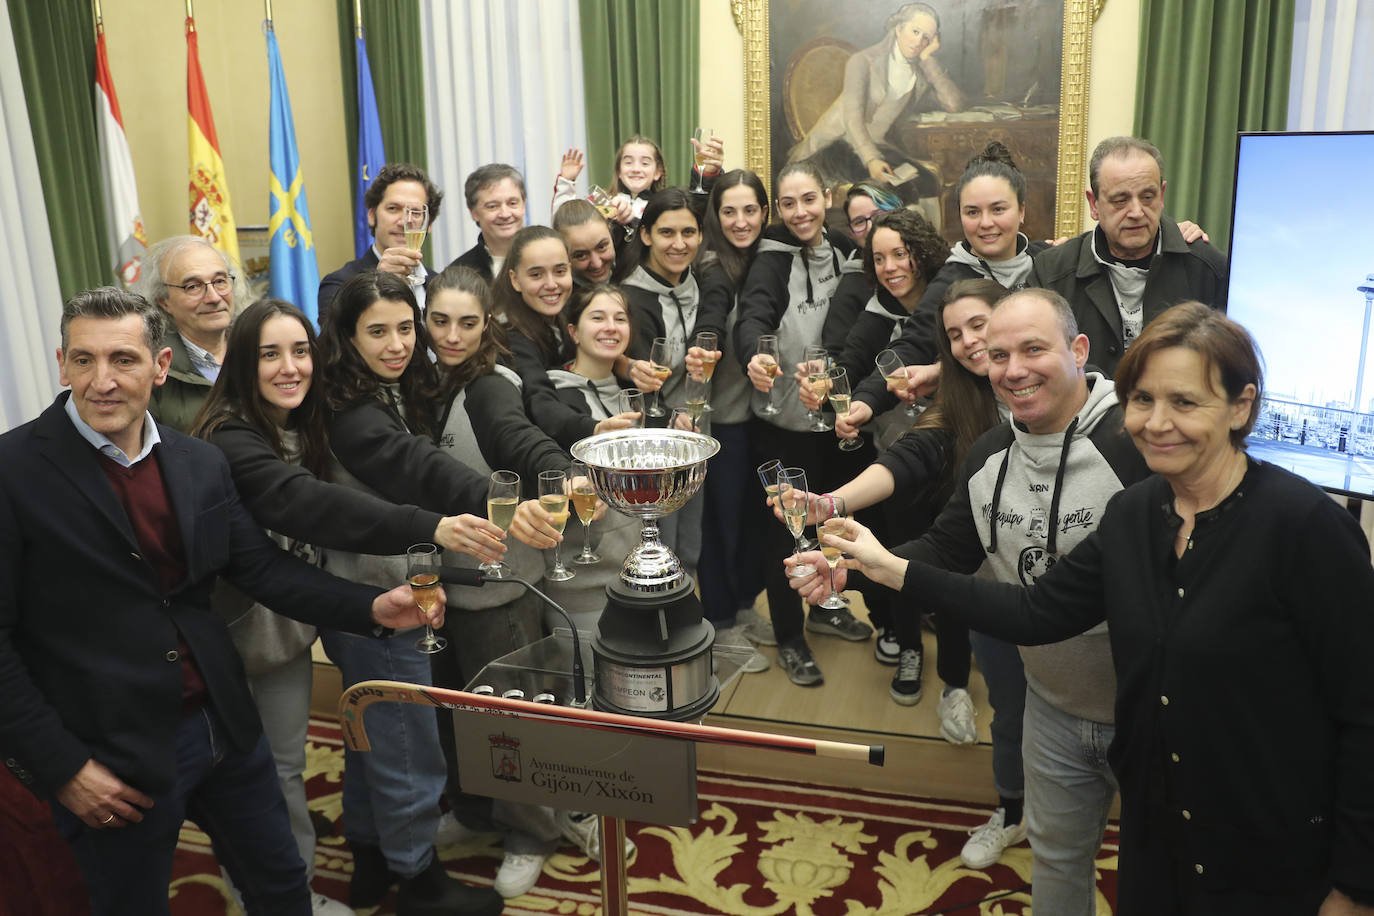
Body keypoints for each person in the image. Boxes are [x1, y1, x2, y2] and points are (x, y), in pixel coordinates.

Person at [814, 302, 1374, 916]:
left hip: (1266, 840)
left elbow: (1362, 715)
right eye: (1144, 400)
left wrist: (1353, 886)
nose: (1158, 423)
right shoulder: (1137, 513)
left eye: (1185, 402)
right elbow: (1036, 612)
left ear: (1241, 407)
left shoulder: (1307, 529)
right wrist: (878, 565)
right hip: (1150, 812)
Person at [0, 287, 487, 916]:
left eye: (123, 359)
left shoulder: (196, 461)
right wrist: (62, 767)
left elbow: (260, 568)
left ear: (162, 365)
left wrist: (368, 607)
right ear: (61, 365)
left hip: (224, 727)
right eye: (83, 360)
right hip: (108, 749)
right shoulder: (13, 472)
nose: (102, 381)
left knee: (282, 887)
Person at [791, 287, 1152, 907]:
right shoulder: (989, 453)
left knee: (1159, 873)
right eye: (998, 355)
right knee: (1057, 859)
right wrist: (850, 570)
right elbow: (947, 550)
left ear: (1079, 349)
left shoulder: (1137, 443)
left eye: (1033, 349)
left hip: (1151, 710)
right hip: (1053, 708)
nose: (1014, 370)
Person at [191, 298, 498, 916]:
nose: (290, 367)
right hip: (228, 629)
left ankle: (363, 859)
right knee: (279, 768)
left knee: (329, 744)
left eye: (299, 351)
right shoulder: (231, 434)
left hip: (291, 616)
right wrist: (434, 527)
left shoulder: (298, 417)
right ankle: (302, 894)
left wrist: (369, 604)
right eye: (270, 354)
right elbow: (305, 504)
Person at [316, 271, 505, 914]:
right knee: (406, 738)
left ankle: (370, 857)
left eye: (405, 328)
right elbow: (412, 466)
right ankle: (418, 878)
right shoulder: (348, 408)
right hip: (375, 595)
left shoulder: (381, 386)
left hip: (371, 587)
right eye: (378, 332)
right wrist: (494, 499)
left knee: (367, 726)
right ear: (346, 336)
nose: (398, 344)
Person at [733, 160, 870, 686]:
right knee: (783, 533)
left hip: (833, 422)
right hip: (780, 419)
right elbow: (755, 315)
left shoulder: (844, 249)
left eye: (808, 199)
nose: (799, 213)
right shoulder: (771, 254)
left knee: (830, 521)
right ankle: (790, 635)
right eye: (787, 203)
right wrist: (753, 355)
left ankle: (827, 608)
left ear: (827, 196)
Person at [1030, 136, 1228, 376]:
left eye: (1147, 197)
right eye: (1120, 200)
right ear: (1094, 204)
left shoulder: (1207, 268)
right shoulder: (1052, 272)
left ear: (1162, 195)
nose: (1136, 212)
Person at [621, 189, 731, 577]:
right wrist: (669, 419)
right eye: (667, 233)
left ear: (701, 236)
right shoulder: (631, 296)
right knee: (660, 541)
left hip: (696, 422)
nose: (679, 243)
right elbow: (633, 382)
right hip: (655, 437)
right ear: (646, 235)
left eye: (689, 232)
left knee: (691, 539)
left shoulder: (701, 279)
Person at [694, 169, 775, 650]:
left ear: (765, 213)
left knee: (751, 520)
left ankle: (745, 605)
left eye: (750, 210)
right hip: (721, 416)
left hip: (760, 416)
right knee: (719, 524)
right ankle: (720, 620)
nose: (741, 221)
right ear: (715, 216)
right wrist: (706, 347)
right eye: (729, 211)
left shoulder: (769, 259)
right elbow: (712, 314)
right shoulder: (712, 266)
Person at [786, 2, 964, 190]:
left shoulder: (918, 74)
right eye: (915, 31)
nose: (920, 42)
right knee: (901, 189)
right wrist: (871, 160)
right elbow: (852, 118)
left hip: (876, 147)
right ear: (899, 29)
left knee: (928, 183)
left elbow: (954, 104)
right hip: (837, 147)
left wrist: (928, 59)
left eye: (926, 38)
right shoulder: (863, 62)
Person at [134, 235, 250, 432]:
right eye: (193, 286)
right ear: (164, 301)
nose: (214, 297)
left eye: (220, 281)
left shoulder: (258, 348)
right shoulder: (151, 368)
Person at [318, 163, 442, 324]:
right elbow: (331, 342)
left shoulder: (439, 285)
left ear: (429, 224)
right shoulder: (340, 283)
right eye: (393, 208)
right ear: (371, 215)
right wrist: (375, 283)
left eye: (416, 212)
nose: (405, 221)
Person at [445, 163, 527, 281]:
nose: (505, 214)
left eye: (512, 203)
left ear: (524, 205)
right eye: (492, 206)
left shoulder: (548, 257)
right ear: (474, 213)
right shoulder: (457, 275)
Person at [554, 198, 618, 287]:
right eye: (580, 255)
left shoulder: (630, 266)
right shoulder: (561, 295)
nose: (597, 264)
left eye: (601, 247)